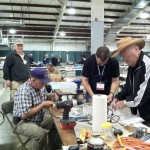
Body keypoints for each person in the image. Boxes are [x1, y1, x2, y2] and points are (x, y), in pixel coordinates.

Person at [13, 68, 62, 150]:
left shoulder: (39, 87)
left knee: (57, 122)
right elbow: (24, 115)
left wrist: (51, 95)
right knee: (40, 134)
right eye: (42, 82)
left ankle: (52, 148)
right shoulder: (24, 91)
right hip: (23, 122)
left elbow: (45, 96)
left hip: (38, 118)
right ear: (33, 80)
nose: (44, 84)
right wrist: (42, 105)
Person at [111, 37, 150, 124]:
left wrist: (124, 103)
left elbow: (141, 96)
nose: (124, 60)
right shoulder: (131, 67)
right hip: (138, 116)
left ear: (134, 50)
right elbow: (128, 86)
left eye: (124, 56)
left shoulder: (148, 64)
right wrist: (118, 97)